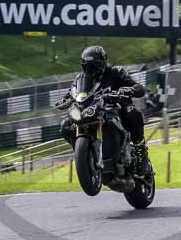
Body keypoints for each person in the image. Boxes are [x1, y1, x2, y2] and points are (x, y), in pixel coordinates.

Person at [58, 45, 150, 174]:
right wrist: (64, 99)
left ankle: (141, 154)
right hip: (90, 110)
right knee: (65, 125)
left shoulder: (116, 72)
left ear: (102, 63)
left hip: (116, 108)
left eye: (93, 66)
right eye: (87, 66)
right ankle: (85, 156)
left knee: (131, 113)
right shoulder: (80, 79)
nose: (90, 70)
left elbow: (139, 87)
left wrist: (127, 89)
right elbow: (72, 92)